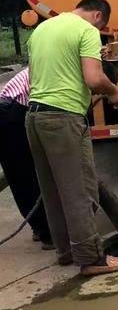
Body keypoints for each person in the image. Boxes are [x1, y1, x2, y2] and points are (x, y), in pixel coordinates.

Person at [26, 0, 118, 276]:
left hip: (34, 116)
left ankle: (66, 252)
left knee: (52, 189)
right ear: (97, 15)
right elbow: (94, 78)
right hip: (63, 118)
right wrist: (114, 92)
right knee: (79, 190)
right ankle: (91, 259)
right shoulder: (86, 31)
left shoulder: (42, 29)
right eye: (103, 25)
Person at [0, 68, 53, 249]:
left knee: (23, 174)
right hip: (11, 113)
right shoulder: (63, 74)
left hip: (12, 108)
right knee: (23, 176)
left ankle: (41, 227)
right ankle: (46, 232)